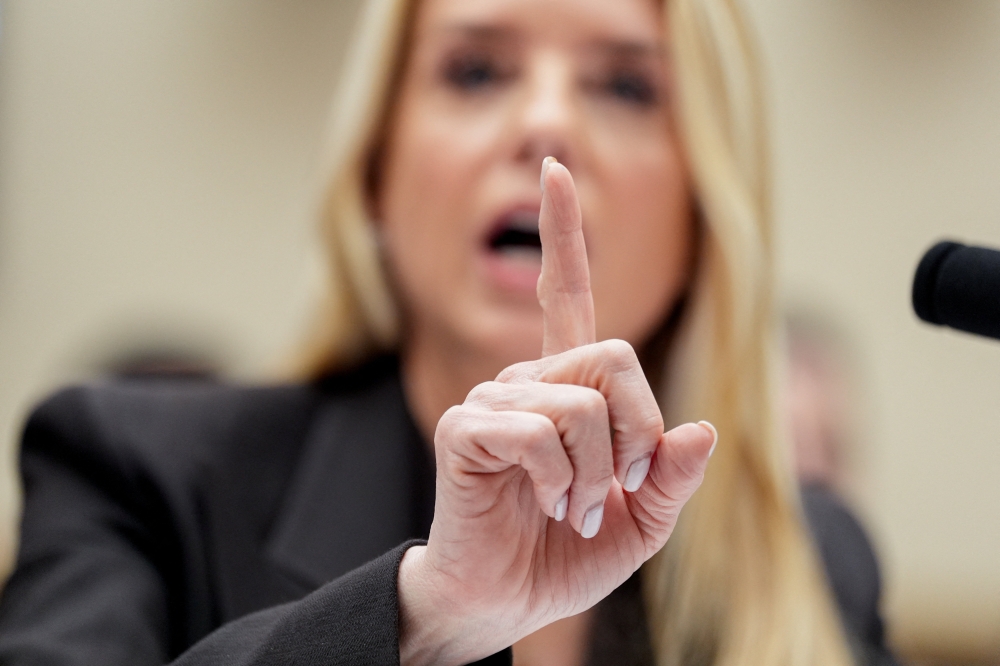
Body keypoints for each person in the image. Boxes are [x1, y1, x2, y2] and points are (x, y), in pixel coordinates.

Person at [0, 0, 895, 664]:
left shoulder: (815, 559)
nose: (547, 122)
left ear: (705, 214)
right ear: (373, 175)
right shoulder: (136, 473)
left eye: (627, 85)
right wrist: (419, 618)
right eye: (475, 71)